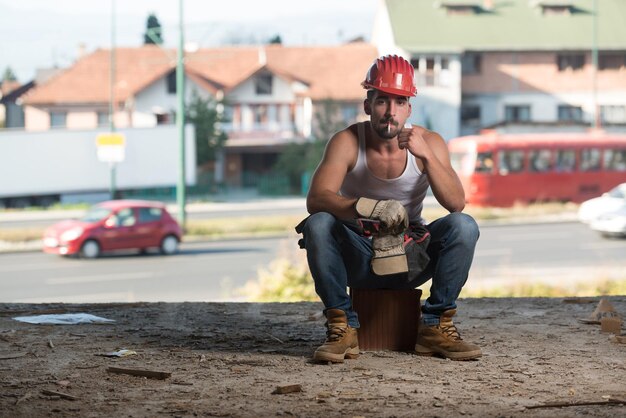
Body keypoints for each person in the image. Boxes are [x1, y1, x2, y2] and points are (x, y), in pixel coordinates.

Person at [299, 55, 481, 363]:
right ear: (368, 105)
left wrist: (426, 155)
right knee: (317, 223)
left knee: (464, 225)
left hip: (410, 256)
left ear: (409, 108)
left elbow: (455, 203)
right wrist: (363, 207)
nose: (390, 112)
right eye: (383, 101)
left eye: (399, 102)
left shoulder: (429, 142)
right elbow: (316, 198)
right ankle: (342, 328)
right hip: (359, 254)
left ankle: (435, 326)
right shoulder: (346, 141)